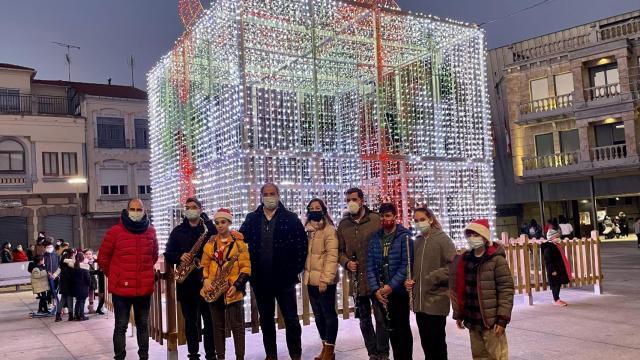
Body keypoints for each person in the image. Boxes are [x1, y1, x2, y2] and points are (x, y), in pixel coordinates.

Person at [239, 183, 308, 360]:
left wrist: (294, 270)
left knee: (291, 319)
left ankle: (295, 353)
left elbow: (302, 247)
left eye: (272, 193)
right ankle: (271, 354)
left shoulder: (291, 218)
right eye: (266, 194)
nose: (269, 197)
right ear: (261, 196)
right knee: (266, 320)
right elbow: (239, 242)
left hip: (285, 280)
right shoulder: (252, 219)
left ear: (278, 195)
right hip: (260, 280)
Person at [98, 198, 158, 360]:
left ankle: (144, 357)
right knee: (121, 326)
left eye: (139, 210)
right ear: (126, 210)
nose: (136, 213)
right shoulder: (115, 232)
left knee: (143, 326)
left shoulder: (151, 231)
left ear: (144, 211)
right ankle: (120, 357)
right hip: (121, 290)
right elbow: (103, 258)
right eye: (133, 209)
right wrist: (115, 276)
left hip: (143, 290)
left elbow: (153, 256)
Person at [450, 219, 514, 360]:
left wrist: (503, 318)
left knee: (497, 356)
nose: (472, 238)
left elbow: (506, 289)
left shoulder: (496, 260)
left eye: (476, 235)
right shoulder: (465, 259)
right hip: (472, 319)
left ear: (485, 237)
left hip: (491, 321)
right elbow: (458, 288)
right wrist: (459, 313)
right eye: (470, 235)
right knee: (479, 356)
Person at [337, 187, 389, 360]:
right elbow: (340, 251)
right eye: (348, 200)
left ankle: (383, 353)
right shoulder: (344, 224)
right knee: (364, 320)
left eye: (354, 199)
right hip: (357, 280)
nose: (351, 203)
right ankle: (372, 353)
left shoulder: (375, 219)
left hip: (377, 278)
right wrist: (346, 262)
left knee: (381, 318)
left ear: (361, 200)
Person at [164, 197, 217, 360]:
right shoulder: (178, 231)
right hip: (187, 284)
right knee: (190, 322)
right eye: (187, 207)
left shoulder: (209, 229)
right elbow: (168, 253)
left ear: (200, 209)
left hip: (207, 282)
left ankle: (210, 354)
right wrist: (180, 255)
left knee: (209, 322)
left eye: (193, 207)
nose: (190, 210)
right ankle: (193, 354)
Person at [404, 207, 456, 360]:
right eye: (416, 221)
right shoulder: (417, 242)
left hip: (436, 301)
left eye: (422, 219)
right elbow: (414, 268)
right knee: (426, 344)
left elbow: (453, 267)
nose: (419, 223)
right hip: (420, 303)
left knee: (437, 344)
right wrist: (409, 280)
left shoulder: (442, 239)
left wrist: (434, 277)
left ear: (430, 219)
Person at [201, 208, 250, 360]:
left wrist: (237, 286)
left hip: (233, 291)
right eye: (217, 223)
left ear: (229, 222)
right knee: (217, 328)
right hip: (214, 291)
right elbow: (204, 265)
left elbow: (246, 268)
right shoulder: (209, 244)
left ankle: (239, 357)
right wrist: (206, 279)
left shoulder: (239, 244)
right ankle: (220, 357)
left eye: (223, 222)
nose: (220, 225)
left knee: (238, 328)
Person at [367, 203, 413, 360]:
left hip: (398, 292)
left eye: (387, 215)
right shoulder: (375, 238)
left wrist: (391, 286)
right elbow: (370, 265)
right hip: (382, 293)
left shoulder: (404, 236)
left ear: (395, 216)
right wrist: (376, 290)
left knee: (402, 329)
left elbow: (406, 264)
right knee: (391, 329)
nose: (384, 219)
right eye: (382, 216)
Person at [303, 199, 339, 360]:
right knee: (318, 316)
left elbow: (332, 256)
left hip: (325, 281)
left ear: (323, 210)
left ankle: (330, 350)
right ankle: (325, 347)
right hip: (310, 280)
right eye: (311, 208)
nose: (314, 210)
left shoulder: (329, 230)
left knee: (328, 314)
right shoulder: (307, 230)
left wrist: (325, 279)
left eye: (317, 208)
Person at [543, 229, 572, 306]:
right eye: (556, 237)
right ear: (551, 238)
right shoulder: (548, 247)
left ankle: (557, 299)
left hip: (558, 269)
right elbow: (548, 260)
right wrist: (552, 270)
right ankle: (556, 299)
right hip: (554, 269)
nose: (558, 238)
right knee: (555, 285)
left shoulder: (555, 245)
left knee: (558, 284)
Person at [71, 252, 91, 321]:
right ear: (82, 259)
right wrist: (89, 284)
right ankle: (81, 315)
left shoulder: (75, 267)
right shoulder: (85, 268)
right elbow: (88, 279)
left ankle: (76, 315)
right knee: (82, 301)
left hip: (76, 287)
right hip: (83, 287)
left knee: (78, 301)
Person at [57, 249, 76, 321]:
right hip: (69, 284)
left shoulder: (62, 262)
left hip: (63, 284)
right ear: (70, 254)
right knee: (70, 299)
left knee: (62, 300)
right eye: (73, 254)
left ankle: (58, 316)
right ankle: (71, 316)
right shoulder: (69, 263)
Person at [43, 240, 60, 317]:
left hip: (56, 275)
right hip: (49, 276)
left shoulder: (56, 254)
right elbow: (44, 266)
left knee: (56, 290)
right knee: (51, 290)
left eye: (50, 246)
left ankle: (57, 304)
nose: (48, 248)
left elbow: (59, 265)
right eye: (47, 247)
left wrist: (56, 273)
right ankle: (53, 304)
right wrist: (48, 272)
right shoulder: (44, 256)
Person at [83, 249, 98, 313]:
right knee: (84, 294)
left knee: (91, 293)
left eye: (89, 254)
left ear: (92, 255)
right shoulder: (83, 262)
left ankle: (91, 307)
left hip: (92, 280)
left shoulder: (94, 262)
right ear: (84, 255)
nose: (88, 255)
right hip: (85, 280)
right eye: (86, 254)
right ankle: (81, 308)